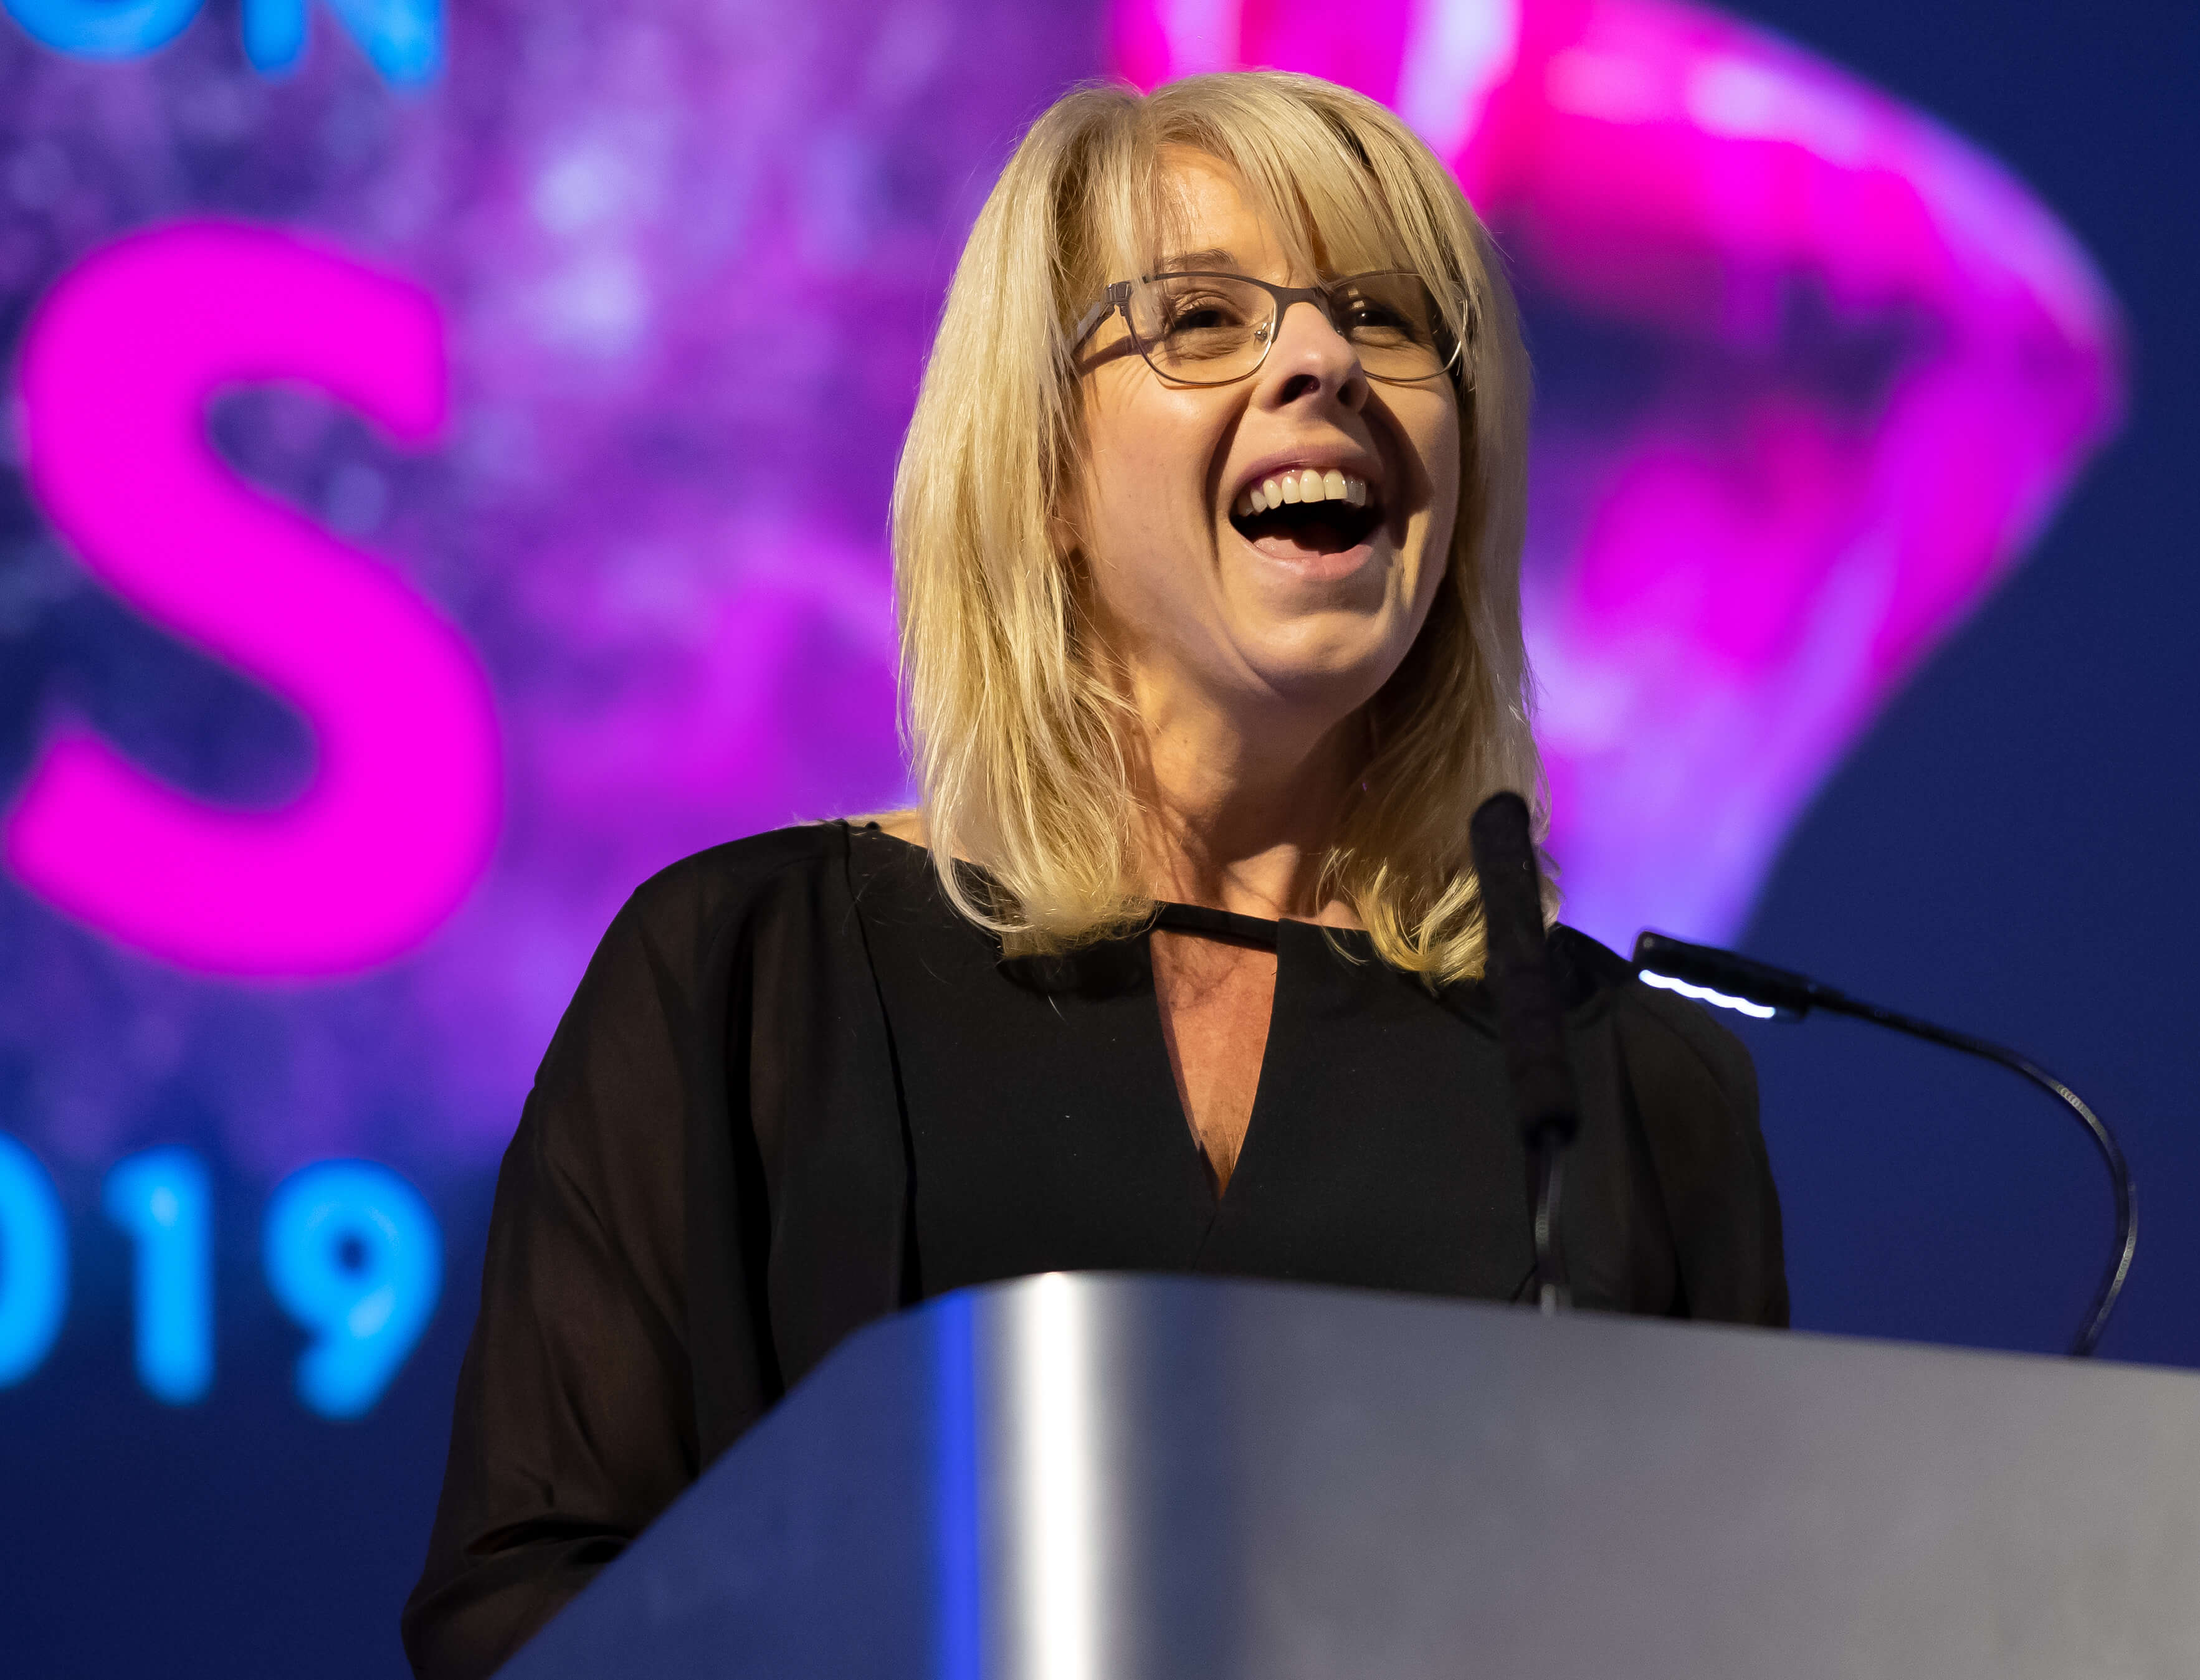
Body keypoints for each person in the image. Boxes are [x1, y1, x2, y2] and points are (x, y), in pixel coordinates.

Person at [402, 70, 1787, 1680]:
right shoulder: (744, 979)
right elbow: (526, 1616)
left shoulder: (1624, 1088)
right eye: (1201, 318)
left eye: (1393, 319)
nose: (1321, 360)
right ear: (1045, 474)